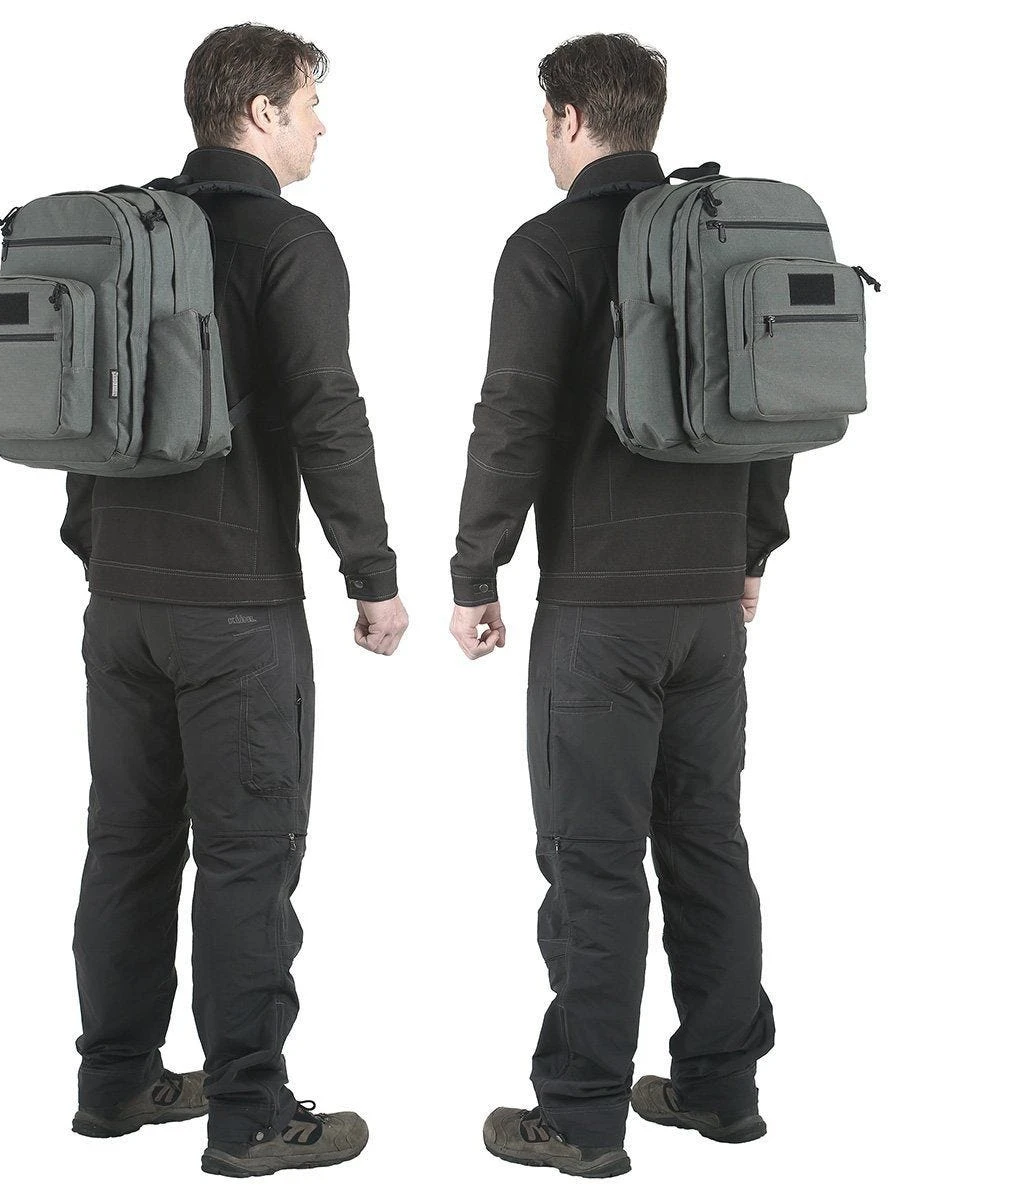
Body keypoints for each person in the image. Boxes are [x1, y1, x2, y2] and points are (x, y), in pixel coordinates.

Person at [60, 22, 407, 1179]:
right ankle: (250, 1115)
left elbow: (83, 407)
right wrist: (372, 574)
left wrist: (99, 546)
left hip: (121, 600)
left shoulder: (128, 231)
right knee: (249, 857)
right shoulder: (288, 241)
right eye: (309, 104)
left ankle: (115, 1084)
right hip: (236, 612)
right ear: (261, 113)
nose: (321, 126)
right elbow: (326, 413)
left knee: (125, 843)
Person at [449, 33, 791, 1178]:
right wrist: (752, 548)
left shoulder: (547, 248)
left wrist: (476, 571)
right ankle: (722, 1092)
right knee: (707, 846)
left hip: (598, 614)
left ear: (566, 118)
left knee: (593, 863)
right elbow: (774, 410)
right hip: (707, 608)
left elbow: (512, 418)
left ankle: (583, 1118)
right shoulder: (725, 238)